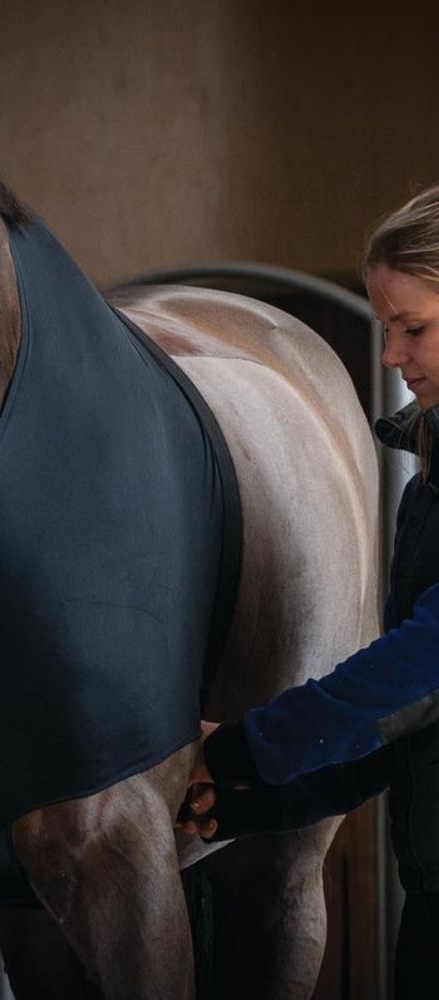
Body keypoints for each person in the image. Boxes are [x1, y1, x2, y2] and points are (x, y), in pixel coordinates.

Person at [180, 185, 439, 999]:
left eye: (415, 328)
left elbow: (421, 663)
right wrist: (255, 802)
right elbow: (408, 716)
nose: (393, 358)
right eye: (387, 330)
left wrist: (236, 751)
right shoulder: (427, 484)